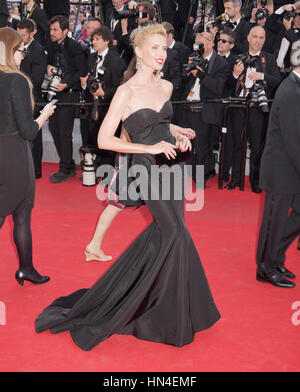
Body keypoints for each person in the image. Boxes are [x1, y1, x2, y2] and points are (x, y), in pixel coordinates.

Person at [35, 24, 220, 351]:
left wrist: (177, 131)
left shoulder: (164, 86)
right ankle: (161, 315)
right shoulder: (126, 91)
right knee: (175, 233)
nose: (161, 54)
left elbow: (157, 123)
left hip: (173, 167)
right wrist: (148, 149)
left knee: (166, 234)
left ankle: (164, 303)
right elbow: (107, 139)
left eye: (164, 47)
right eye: (154, 48)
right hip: (147, 171)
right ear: (139, 51)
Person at [0, 27, 55, 286]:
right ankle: (26, 268)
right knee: (13, 210)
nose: (23, 55)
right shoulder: (16, 81)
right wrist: (43, 116)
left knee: (22, 212)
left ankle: (26, 268)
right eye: (21, 50)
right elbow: (29, 131)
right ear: (11, 51)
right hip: (13, 154)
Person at [256, 40, 300, 288]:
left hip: (290, 167)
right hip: (282, 169)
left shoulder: (296, 87)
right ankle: (266, 267)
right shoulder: (290, 91)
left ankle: (275, 256)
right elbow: (294, 140)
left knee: (292, 217)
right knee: (274, 220)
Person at [225, 25, 281, 192]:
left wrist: (262, 76)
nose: (257, 41)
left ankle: (256, 181)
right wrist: (235, 74)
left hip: (258, 109)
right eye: (255, 37)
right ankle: (235, 179)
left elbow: (278, 81)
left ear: (264, 40)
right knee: (237, 144)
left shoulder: (269, 59)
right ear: (248, 38)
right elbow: (227, 85)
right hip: (239, 107)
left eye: (261, 38)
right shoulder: (238, 57)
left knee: (257, 147)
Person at [17, 18, 47, 179]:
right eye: (19, 35)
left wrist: (17, 78)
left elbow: (37, 79)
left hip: (32, 98)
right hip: (20, 97)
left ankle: (35, 170)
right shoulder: (16, 48)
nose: (20, 38)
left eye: (23, 35)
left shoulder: (38, 50)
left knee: (34, 134)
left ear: (32, 33)